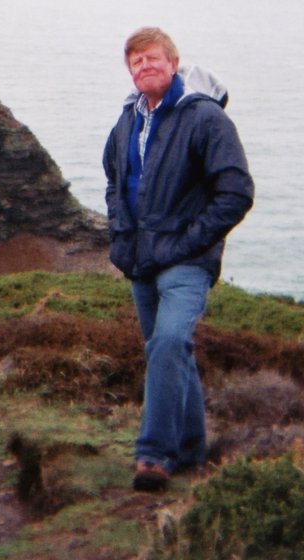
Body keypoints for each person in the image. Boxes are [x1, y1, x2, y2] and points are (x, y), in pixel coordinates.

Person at [103, 27, 254, 491]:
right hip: (141, 260)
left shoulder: (204, 118)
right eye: (136, 62)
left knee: (168, 343)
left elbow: (236, 192)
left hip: (187, 260)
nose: (144, 66)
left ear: (173, 64)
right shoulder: (128, 121)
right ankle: (191, 449)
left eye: (152, 58)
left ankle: (154, 455)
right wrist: (121, 236)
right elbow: (114, 180)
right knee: (169, 352)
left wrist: (192, 241)